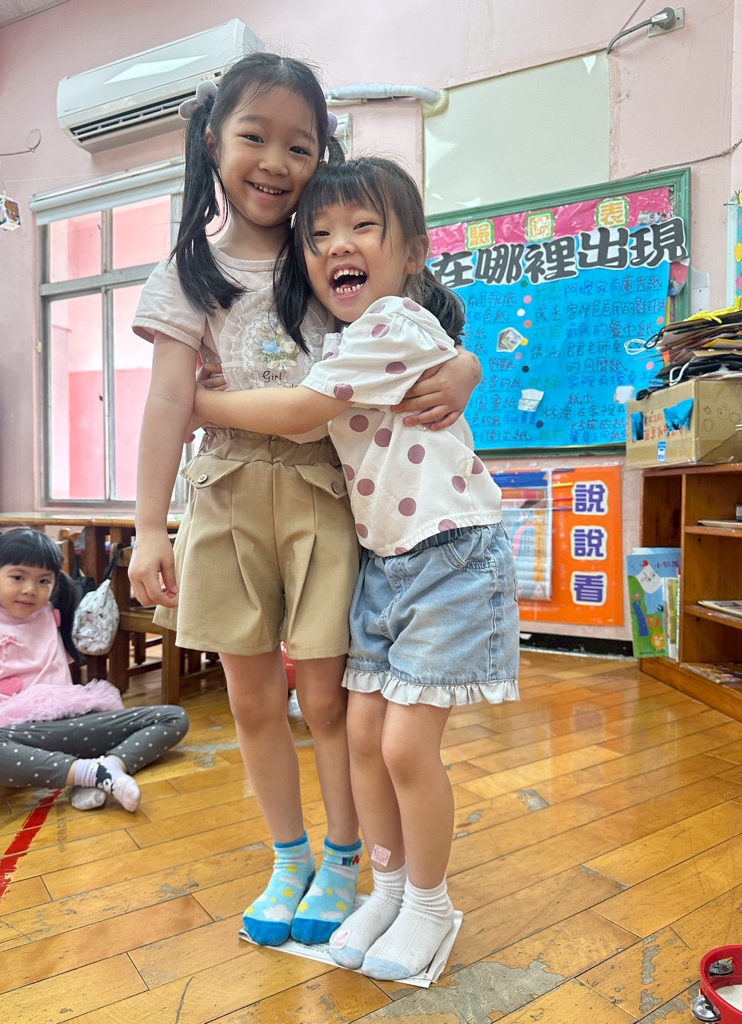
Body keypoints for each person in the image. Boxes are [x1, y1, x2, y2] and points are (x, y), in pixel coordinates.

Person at [129, 53, 481, 947]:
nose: (276, 162)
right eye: (255, 137)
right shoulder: (188, 272)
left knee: (326, 702)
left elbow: (429, 323)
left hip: (328, 495)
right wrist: (147, 528)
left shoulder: (327, 249)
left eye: (301, 144)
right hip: (224, 497)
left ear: (323, 154)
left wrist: (467, 368)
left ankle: (344, 857)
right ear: (213, 142)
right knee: (251, 701)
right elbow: (166, 402)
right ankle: (288, 857)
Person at [190, 155, 521, 980]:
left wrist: (193, 401)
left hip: (450, 556)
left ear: (413, 253)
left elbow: (302, 414)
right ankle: (391, 887)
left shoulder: (392, 325)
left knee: (403, 747)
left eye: (363, 228)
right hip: (387, 561)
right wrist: (467, 362)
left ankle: (430, 904)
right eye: (320, 234)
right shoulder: (349, 340)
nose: (338, 244)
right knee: (364, 737)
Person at [0, 529, 189, 812]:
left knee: (174, 717)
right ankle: (89, 772)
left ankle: (104, 769)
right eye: (17, 577)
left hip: (72, 725)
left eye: (43, 581)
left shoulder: (52, 613)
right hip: (14, 735)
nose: (30, 589)